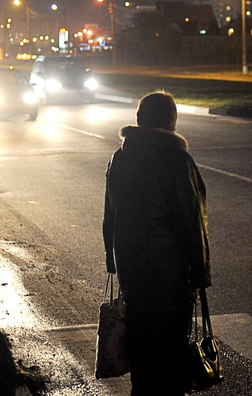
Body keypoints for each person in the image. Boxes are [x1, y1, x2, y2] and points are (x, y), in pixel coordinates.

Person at [102, 91, 212, 395]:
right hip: (170, 280)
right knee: (171, 358)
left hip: (132, 276)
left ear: (139, 120)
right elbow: (193, 220)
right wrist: (201, 273)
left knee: (142, 356)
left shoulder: (119, 158)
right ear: (171, 122)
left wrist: (113, 260)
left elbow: (110, 213)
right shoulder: (178, 160)